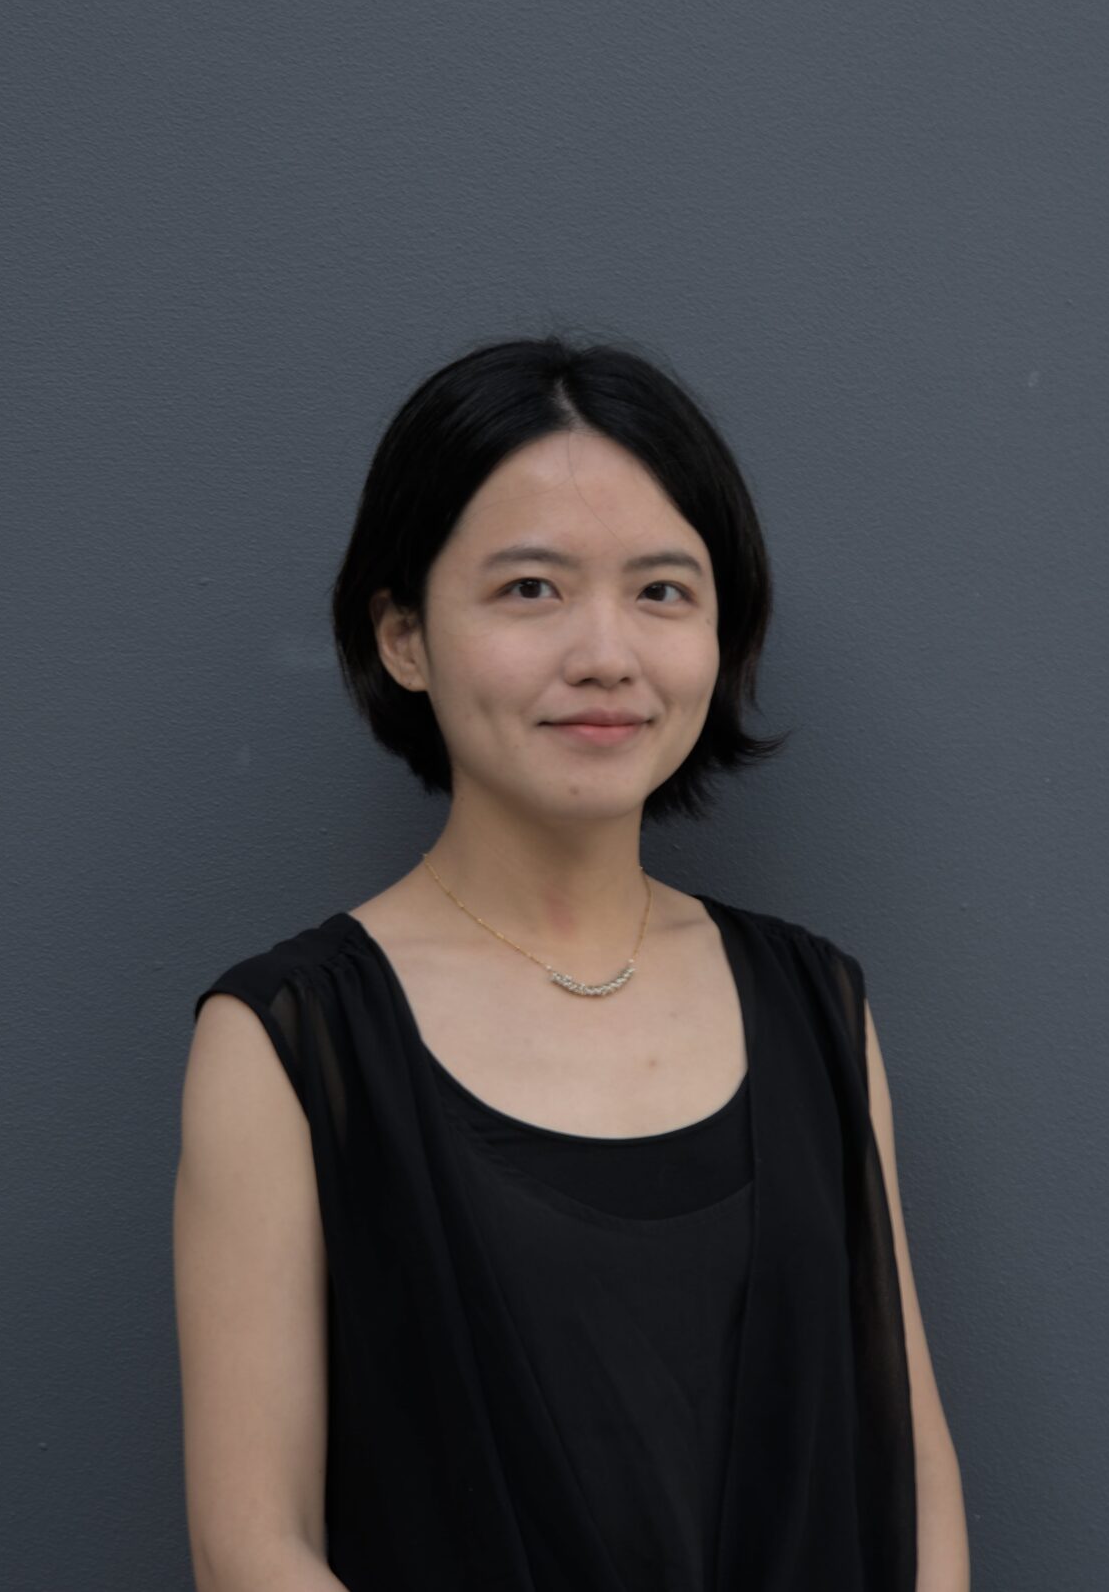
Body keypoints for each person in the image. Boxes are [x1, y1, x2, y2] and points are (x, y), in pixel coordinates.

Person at [174, 335, 967, 1592]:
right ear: (403, 636)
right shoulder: (288, 1037)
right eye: (531, 588)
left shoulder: (819, 1009)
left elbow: (912, 1483)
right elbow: (250, 1548)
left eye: (662, 590)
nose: (606, 652)